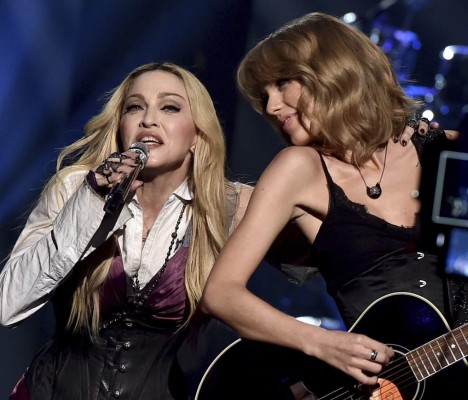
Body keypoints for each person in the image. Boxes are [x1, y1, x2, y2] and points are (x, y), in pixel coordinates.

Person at [0, 59, 444, 400]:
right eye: (135, 107)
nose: (148, 119)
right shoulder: (76, 188)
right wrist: (94, 202)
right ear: (121, 125)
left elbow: (352, 244)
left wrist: (404, 156)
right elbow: (8, 305)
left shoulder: (232, 206)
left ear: (196, 133)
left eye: (169, 108)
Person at [201, 12, 468, 400]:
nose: (272, 106)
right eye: (264, 96)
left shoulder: (449, 153)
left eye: (281, 84)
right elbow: (222, 294)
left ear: (332, 69)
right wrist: (324, 344)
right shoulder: (299, 169)